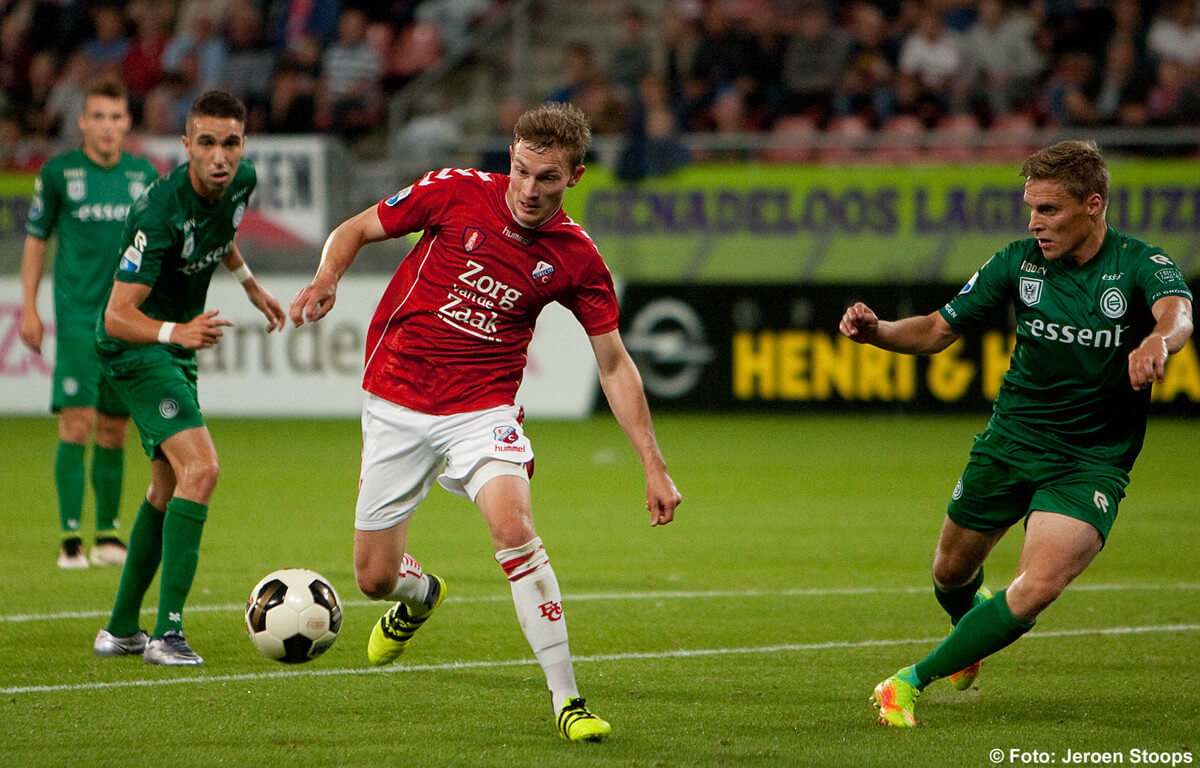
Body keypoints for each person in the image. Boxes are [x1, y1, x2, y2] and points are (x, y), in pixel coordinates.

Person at [289, 101, 682, 741]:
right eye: (523, 171)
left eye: (548, 178)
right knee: (372, 578)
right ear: (510, 160)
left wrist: (652, 463)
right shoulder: (454, 192)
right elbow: (355, 228)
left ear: (574, 177)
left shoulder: (577, 258)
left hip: (481, 410)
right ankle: (420, 596)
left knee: (514, 527)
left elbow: (613, 363)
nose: (529, 190)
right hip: (395, 396)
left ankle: (568, 701)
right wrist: (328, 275)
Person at [839, 140, 1193, 728]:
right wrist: (876, 332)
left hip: (1091, 460)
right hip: (1011, 440)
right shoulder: (1017, 262)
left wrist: (1158, 340)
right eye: (1030, 208)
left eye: (1049, 210)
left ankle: (906, 683)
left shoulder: (1139, 264)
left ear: (1093, 204)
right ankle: (969, 634)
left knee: (1038, 585)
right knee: (950, 574)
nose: (1035, 223)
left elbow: (1176, 311)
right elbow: (933, 331)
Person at [92, 90, 286, 666]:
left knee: (167, 486)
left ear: (243, 145)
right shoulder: (157, 212)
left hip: (173, 345)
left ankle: (121, 630)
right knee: (201, 470)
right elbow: (116, 315)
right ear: (186, 146)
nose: (220, 156)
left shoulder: (241, 181)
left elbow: (220, 233)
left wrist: (249, 282)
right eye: (207, 143)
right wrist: (175, 333)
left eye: (230, 143)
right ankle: (167, 635)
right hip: (137, 347)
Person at [20, 77, 159, 570]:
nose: (106, 126)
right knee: (76, 423)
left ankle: (107, 534)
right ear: (82, 122)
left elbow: (155, 247)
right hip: (79, 318)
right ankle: (70, 537)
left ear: (127, 123)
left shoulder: (143, 175)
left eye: (115, 117)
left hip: (125, 321)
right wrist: (29, 306)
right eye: (97, 116)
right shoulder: (59, 173)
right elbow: (37, 240)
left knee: (115, 430)